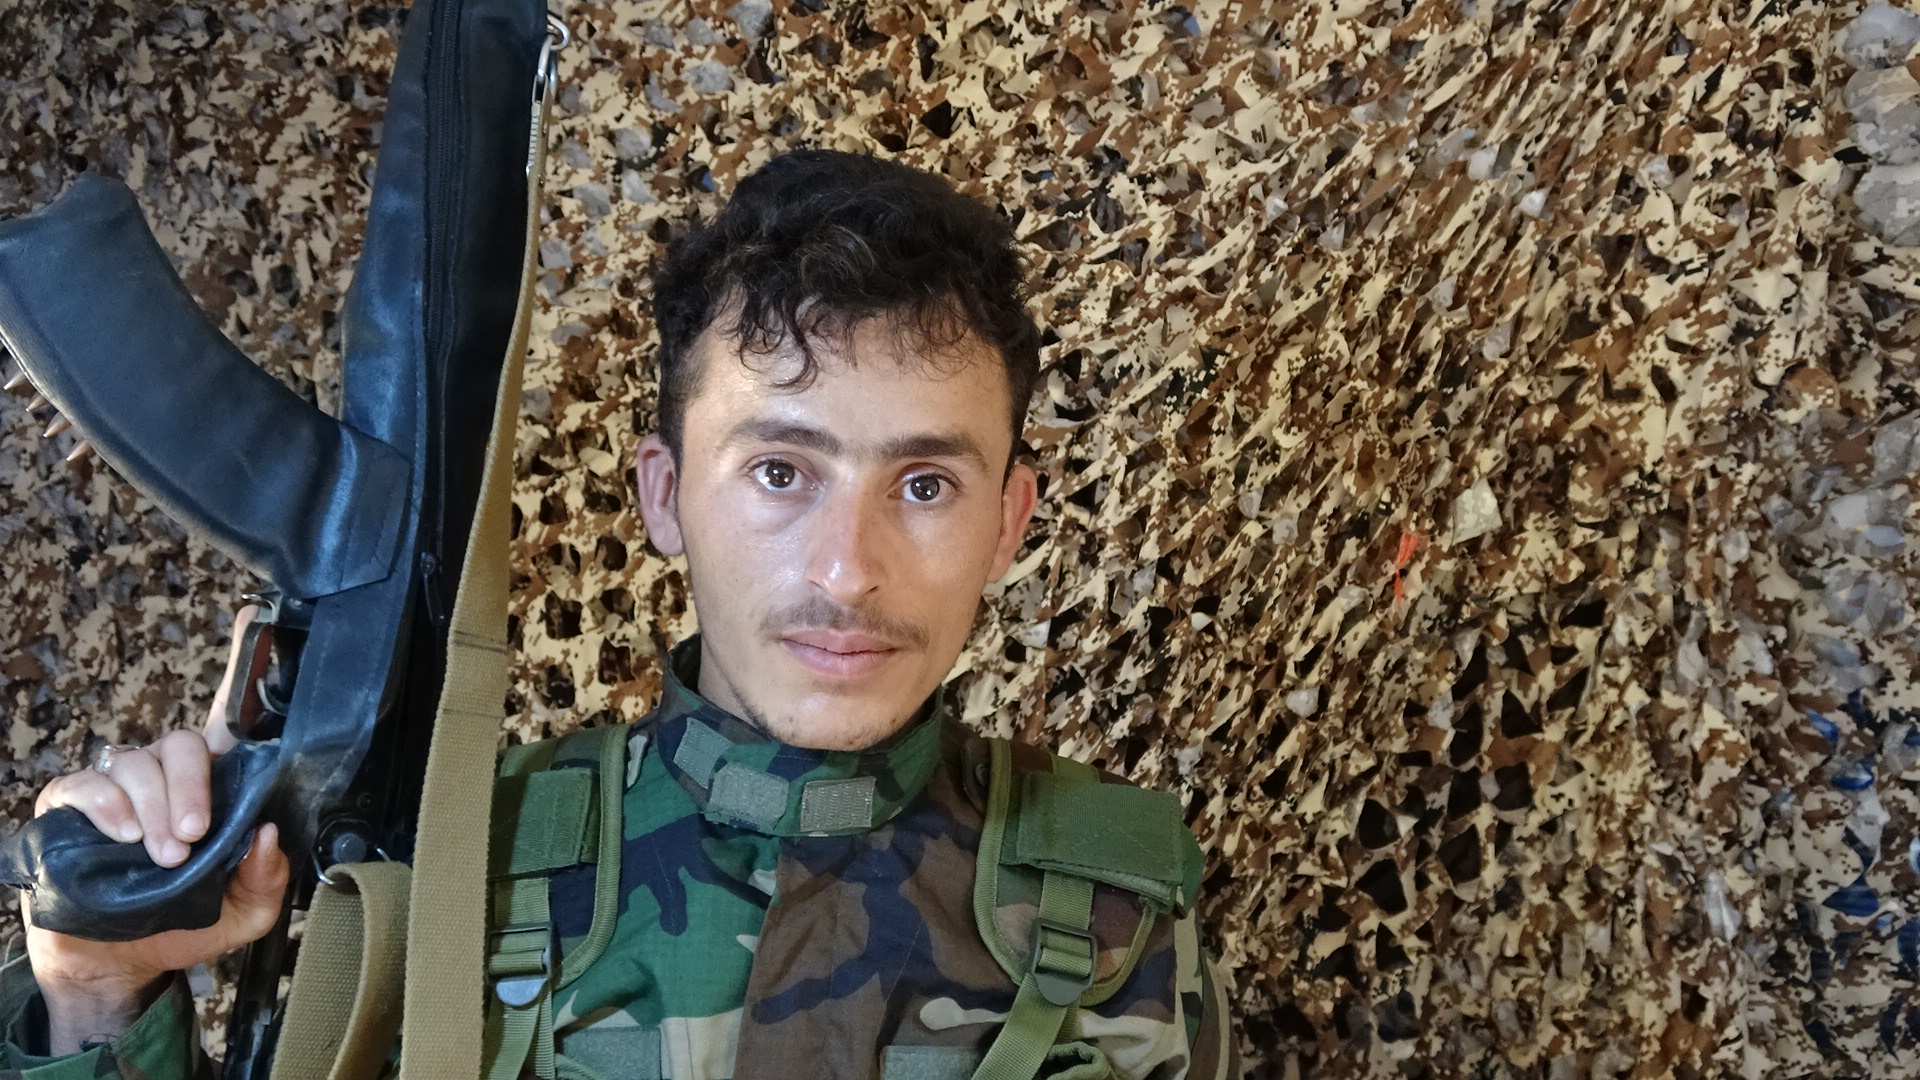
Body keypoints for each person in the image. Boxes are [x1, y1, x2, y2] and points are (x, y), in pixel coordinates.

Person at [1, 150, 1237, 1079]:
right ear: (664, 496)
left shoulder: (1122, 912)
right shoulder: (444, 864)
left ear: (1009, 520)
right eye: (780, 472)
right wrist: (100, 993)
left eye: (924, 485)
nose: (848, 568)